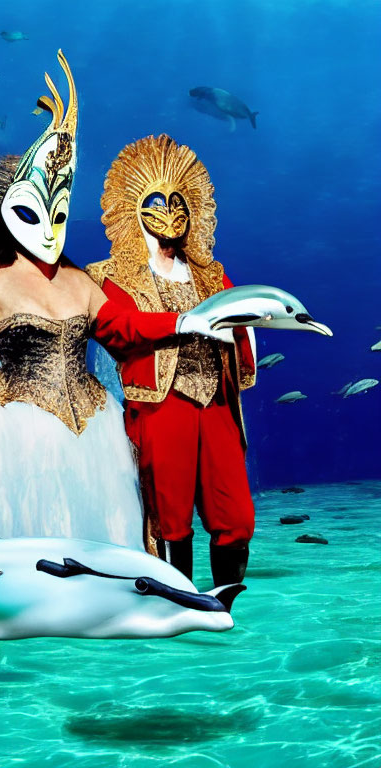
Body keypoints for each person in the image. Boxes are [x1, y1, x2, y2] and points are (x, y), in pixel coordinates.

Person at [0, 54, 227, 549]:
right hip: (15, 428)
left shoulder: (80, 280)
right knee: (20, 541)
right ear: (8, 211)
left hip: (91, 427)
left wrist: (188, 320)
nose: (47, 227)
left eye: (59, 213)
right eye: (33, 210)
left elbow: (126, 329)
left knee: (104, 542)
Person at [86, 134, 257, 586]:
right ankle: (176, 602)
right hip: (162, 405)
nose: (172, 210)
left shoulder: (212, 273)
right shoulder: (109, 276)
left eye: (179, 201)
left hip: (217, 405)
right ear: (136, 209)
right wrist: (180, 322)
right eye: (159, 201)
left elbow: (241, 323)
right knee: (169, 514)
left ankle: (223, 604)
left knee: (235, 512)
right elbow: (115, 330)